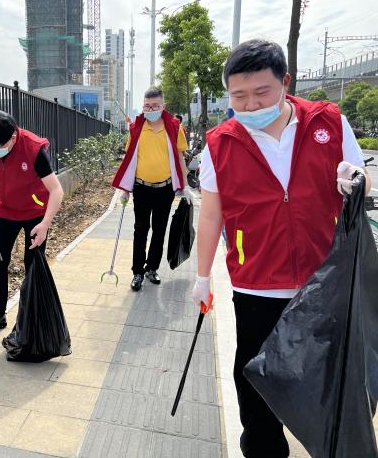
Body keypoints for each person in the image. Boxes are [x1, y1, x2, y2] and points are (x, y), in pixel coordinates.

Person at [192, 39, 372, 457]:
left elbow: (359, 176)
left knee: (330, 385)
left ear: (285, 83)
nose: (251, 105)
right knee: (256, 387)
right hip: (257, 286)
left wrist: (354, 180)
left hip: (323, 284)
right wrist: (202, 277)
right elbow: (210, 215)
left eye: (262, 93)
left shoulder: (327, 123)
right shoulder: (220, 143)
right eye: (239, 96)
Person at [0, 110, 64, 337]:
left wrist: (45, 224)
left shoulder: (33, 148)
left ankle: (29, 322)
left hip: (35, 213)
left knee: (32, 265)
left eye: (0, 145)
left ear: (14, 137)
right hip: (6, 210)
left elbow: (56, 190)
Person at [112, 88, 194, 291]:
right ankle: (137, 272)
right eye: (148, 106)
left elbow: (181, 159)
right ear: (143, 106)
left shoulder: (174, 127)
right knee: (140, 229)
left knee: (159, 230)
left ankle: (151, 268)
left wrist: (184, 187)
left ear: (163, 106)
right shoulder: (137, 128)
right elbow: (130, 158)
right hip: (141, 188)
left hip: (164, 189)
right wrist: (125, 189)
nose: (151, 109)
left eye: (156, 106)